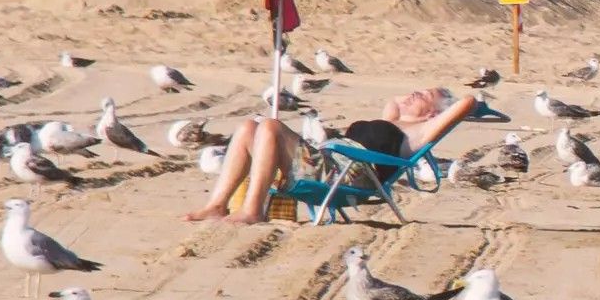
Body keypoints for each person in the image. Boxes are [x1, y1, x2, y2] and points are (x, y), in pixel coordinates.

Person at [185, 88, 474, 225]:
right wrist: (417, 100)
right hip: (331, 162)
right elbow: (392, 101)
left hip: (350, 173)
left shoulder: (421, 131)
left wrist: (437, 105)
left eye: (425, 94)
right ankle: (217, 205)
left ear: (436, 113)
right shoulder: (392, 118)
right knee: (248, 126)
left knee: (271, 126)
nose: (414, 92)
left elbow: (468, 102)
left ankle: (253, 210)